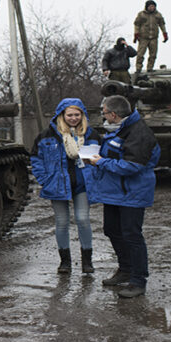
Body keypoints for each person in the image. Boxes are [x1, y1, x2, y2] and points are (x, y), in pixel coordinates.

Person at [88, 95, 160, 298]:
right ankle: (125, 269)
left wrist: (100, 162)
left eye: (104, 112)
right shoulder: (119, 129)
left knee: (132, 235)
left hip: (132, 192)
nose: (103, 116)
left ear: (114, 114)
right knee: (112, 230)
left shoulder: (139, 133)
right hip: (115, 192)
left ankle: (138, 280)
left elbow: (132, 166)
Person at [30, 98, 101, 275]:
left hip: (82, 184)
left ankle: (87, 261)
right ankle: (65, 262)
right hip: (57, 184)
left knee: (83, 220)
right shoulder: (47, 135)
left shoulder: (91, 134)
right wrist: (44, 179)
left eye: (77, 114)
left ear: (82, 115)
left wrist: (95, 176)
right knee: (61, 222)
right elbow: (35, 159)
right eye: (70, 115)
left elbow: (101, 158)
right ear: (62, 115)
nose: (74, 118)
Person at [132, 0, 168, 75]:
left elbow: (162, 24)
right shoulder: (141, 14)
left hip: (154, 37)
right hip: (143, 37)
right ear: (147, 7)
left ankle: (150, 68)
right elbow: (137, 24)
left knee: (153, 54)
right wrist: (136, 34)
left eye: (153, 6)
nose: (152, 8)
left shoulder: (158, 15)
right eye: (150, 6)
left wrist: (164, 33)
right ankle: (138, 68)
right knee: (140, 54)